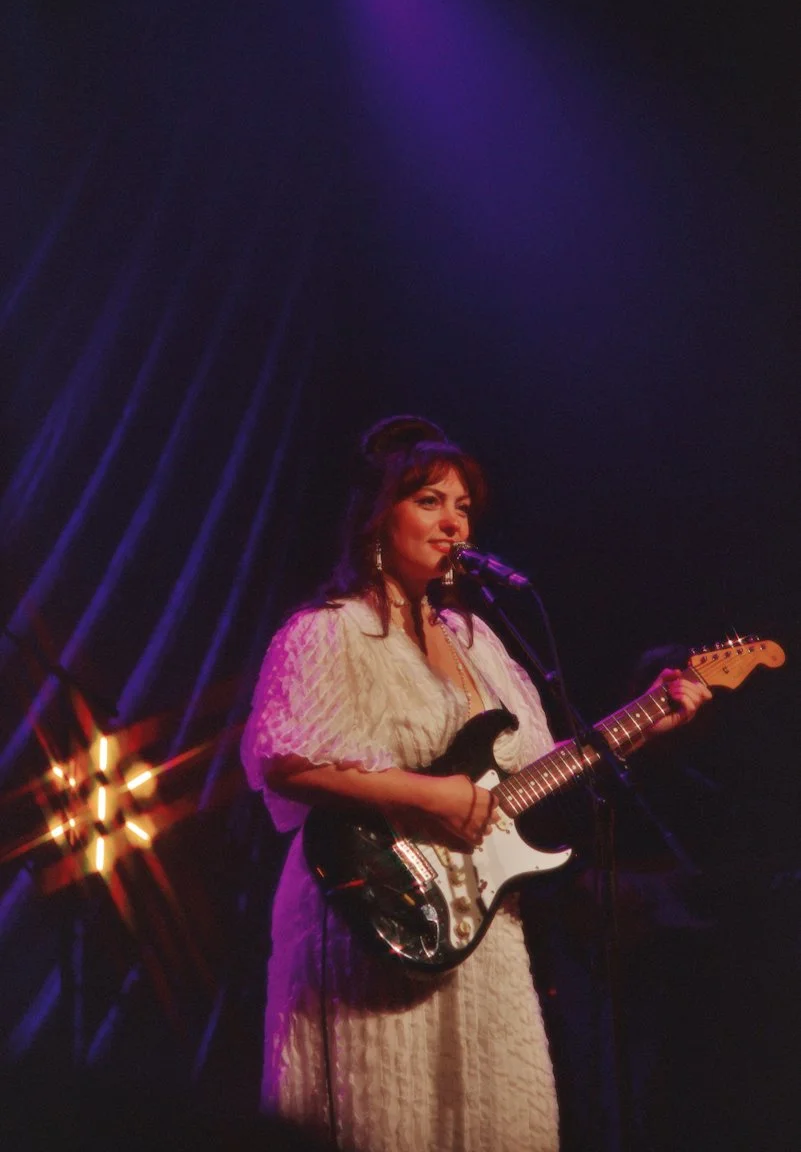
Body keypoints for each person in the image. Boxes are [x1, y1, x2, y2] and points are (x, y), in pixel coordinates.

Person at [240, 415, 711, 1152]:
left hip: (478, 925)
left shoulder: (478, 641)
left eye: (463, 506)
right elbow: (283, 758)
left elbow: (529, 772)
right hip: (370, 911)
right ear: (375, 516)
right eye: (429, 500)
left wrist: (646, 722)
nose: (453, 521)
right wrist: (432, 796)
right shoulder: (326, 631)